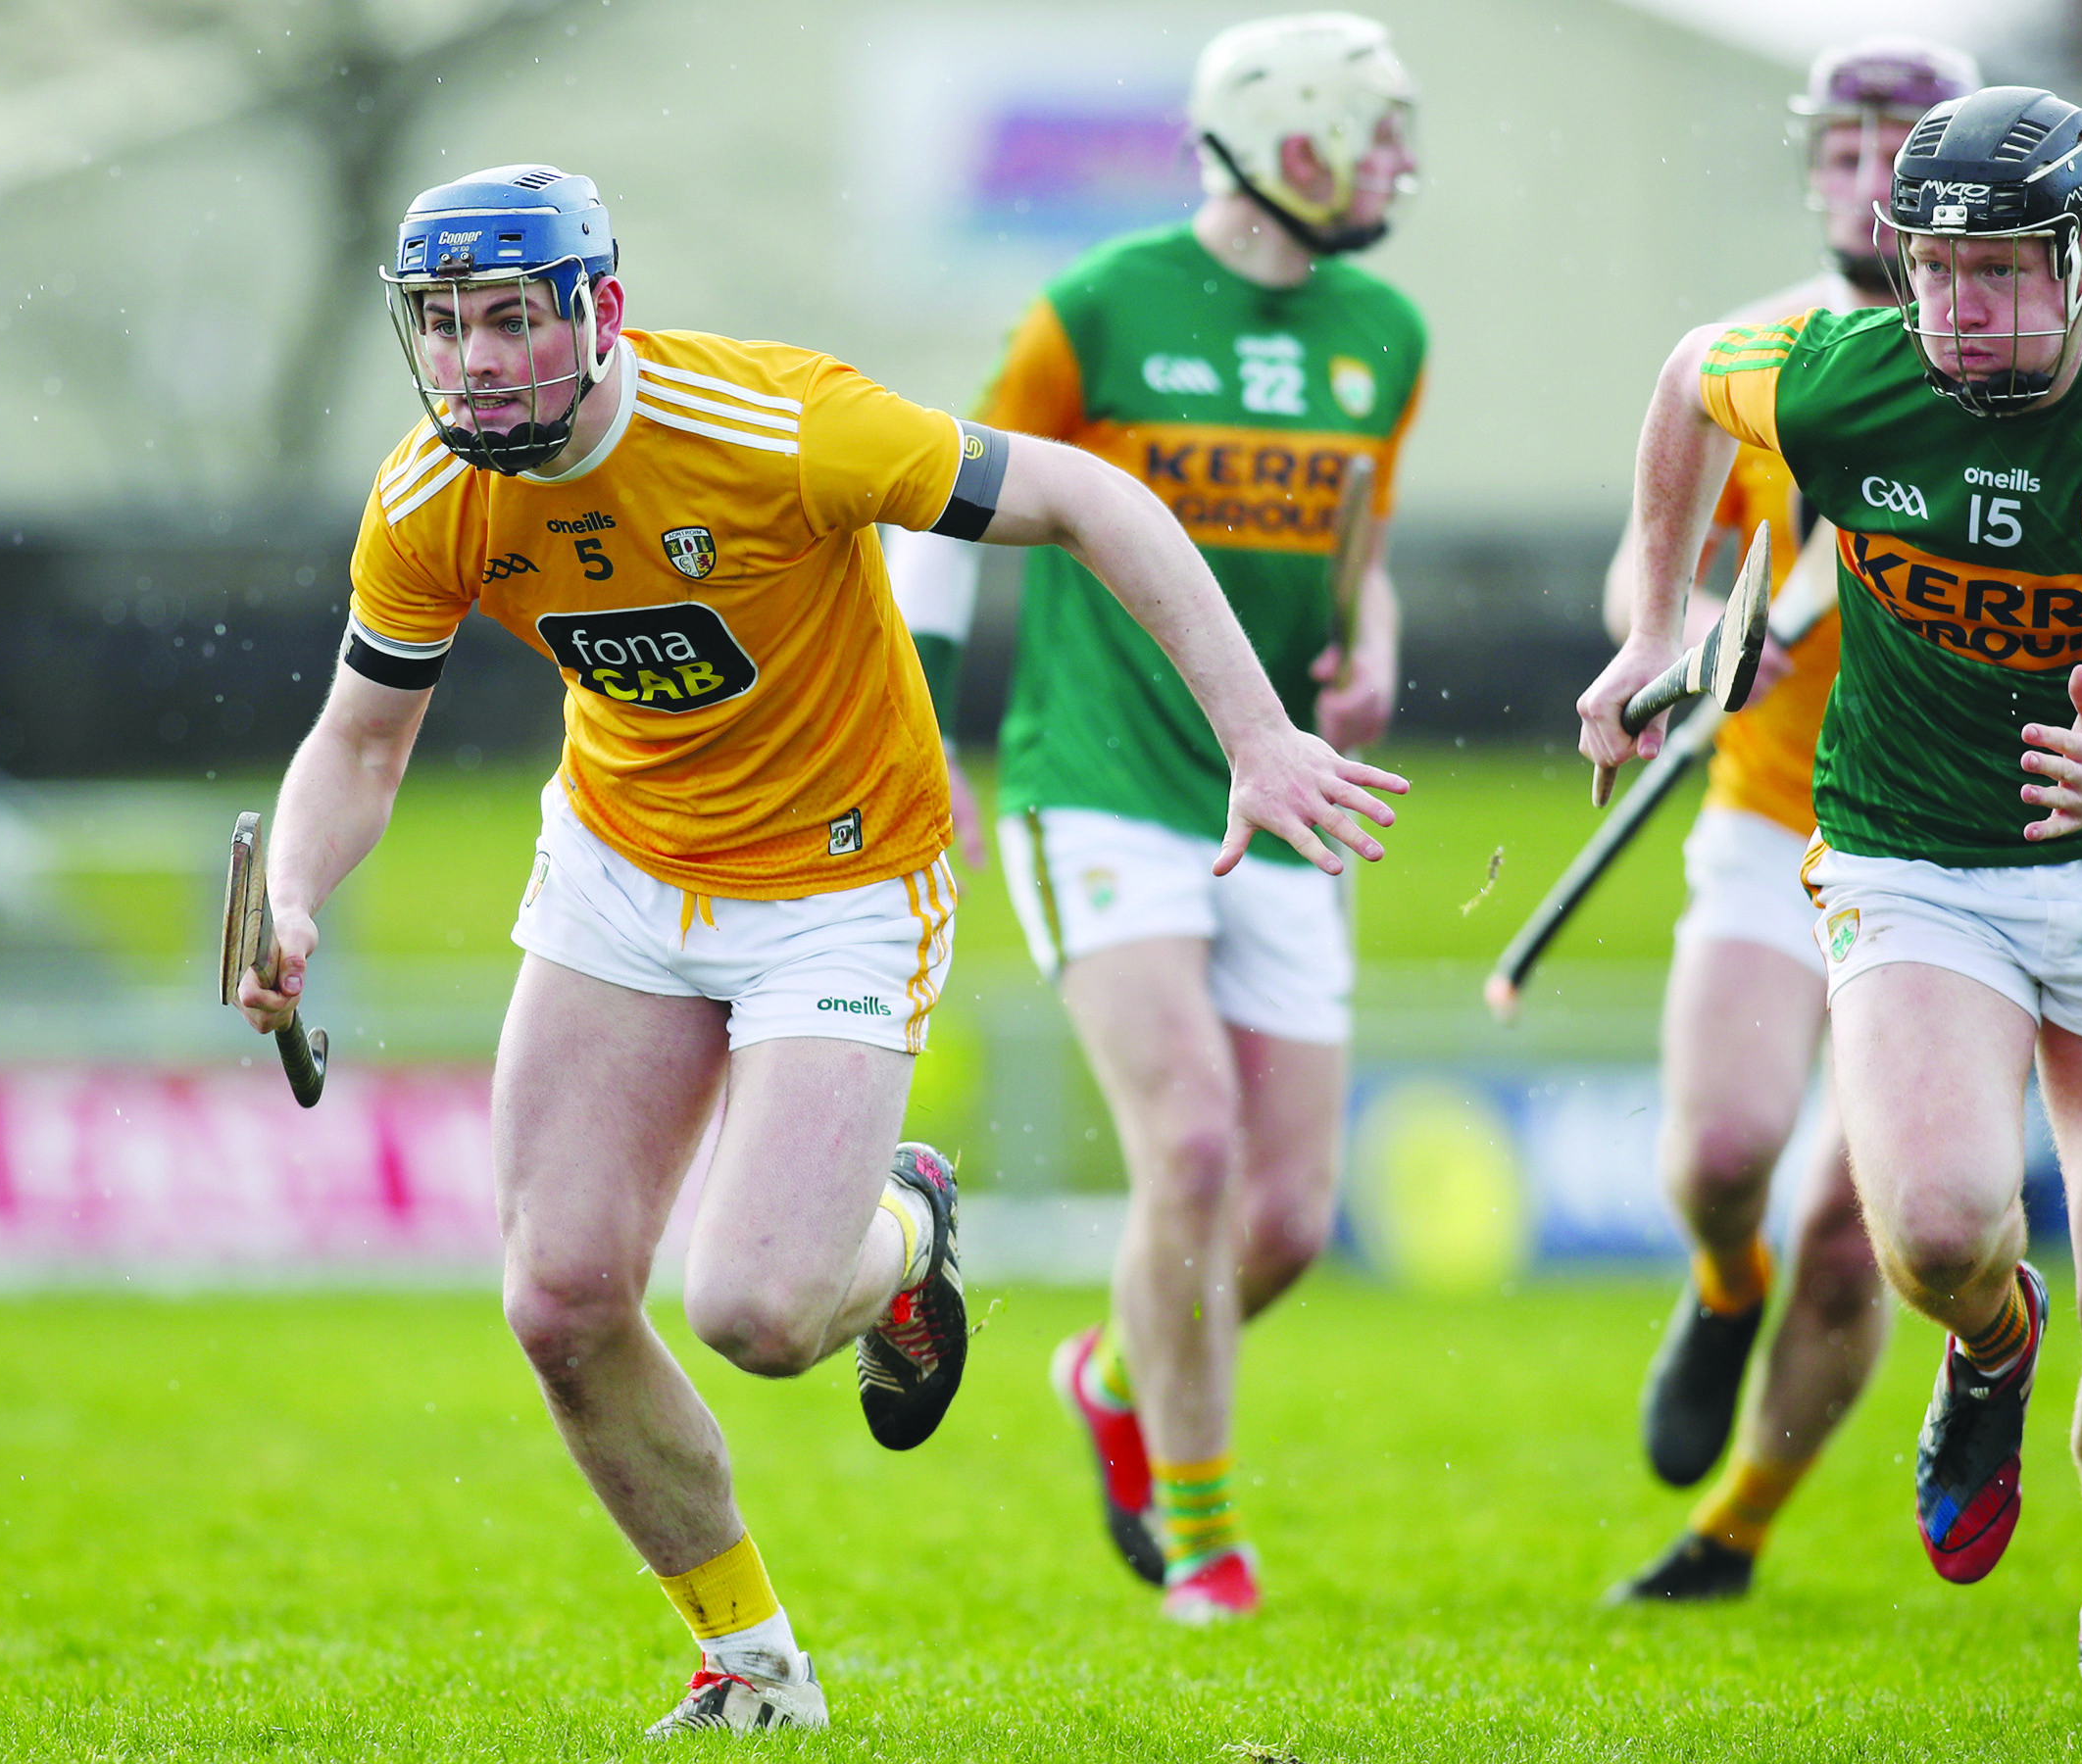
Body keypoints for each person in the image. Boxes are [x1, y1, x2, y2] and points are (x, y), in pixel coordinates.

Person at [233, 164, 1406, 1735]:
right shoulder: (432, 497)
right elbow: (362, 745)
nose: (476, 361)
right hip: (619, 876)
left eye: (513, 319)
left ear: (601, 312)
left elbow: (1090, 496)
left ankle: (908, 1231)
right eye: (444, 326)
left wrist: (1255, 735)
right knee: (561, 1296)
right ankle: (752, 1666)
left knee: (763, 1316)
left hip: (844, 880)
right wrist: (299, 888)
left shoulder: (781, 429)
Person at [1578, 88, 2082, 1733]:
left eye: (1997, 271)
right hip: (1914, 862)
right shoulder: (1851, 377)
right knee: (1947, 1231)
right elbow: (1692, 373)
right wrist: (1654, 618)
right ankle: (1988, 1349)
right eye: (1931, 267)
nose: (1955, 307)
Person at [885, 12, 1424, 1622]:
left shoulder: (1386, 332)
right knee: (1188, 1144)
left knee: (1285, 1223)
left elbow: (1359, 535)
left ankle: (1114, 1375)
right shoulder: (1094, 313)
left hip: (1284, 788)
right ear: (1298, 136)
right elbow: (941, 520)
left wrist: (1373, 645)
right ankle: (1204, 1542)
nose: (1402, 163)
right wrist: (930, 738)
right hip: (1098, 780)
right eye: (1378, 131)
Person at [1601, 39, 1979, 1605]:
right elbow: (1648, 569)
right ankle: (1716, 1276)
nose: (1867, 183)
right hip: (1772, 812)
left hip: (1958, 847)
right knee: (1722, 1150)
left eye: (1901, 154)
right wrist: (1684, 635)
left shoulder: (2034, 382)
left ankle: (1734, 1529)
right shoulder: (1753, 358)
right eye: (1842, 153)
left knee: (1858, 1225)